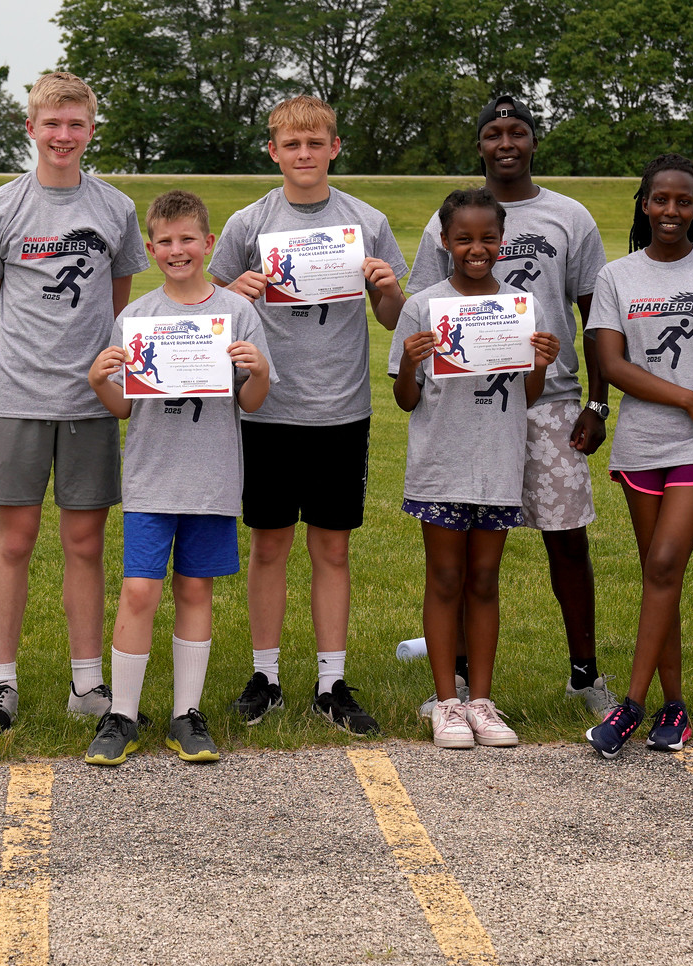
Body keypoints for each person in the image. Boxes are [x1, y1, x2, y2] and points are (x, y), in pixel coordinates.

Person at [408, 95, 612, 715]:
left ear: (532, 141)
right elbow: (423, 306)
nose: (506, 142)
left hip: (549, 400)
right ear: (480, 145)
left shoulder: (568, 216)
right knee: (467, 545)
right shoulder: (447, 221)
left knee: (566, 538)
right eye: (493, 132)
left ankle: (584, 674)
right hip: (466, 408)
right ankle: (461, 680)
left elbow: (595, 319)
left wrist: (597, 405)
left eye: (517, 132)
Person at [211, 95, 406, 734]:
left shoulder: (367, 221)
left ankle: (331, 681)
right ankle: (264, 675)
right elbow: (206, 309)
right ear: (273, 151)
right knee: (268, 545)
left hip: (339, 409)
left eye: (314, 143)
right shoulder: (248, 223)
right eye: (290, 145)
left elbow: (393, 319)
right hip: (266, 410)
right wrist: (231, 293)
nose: (303, 154)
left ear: (334, 147)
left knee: (332, 547)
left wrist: (387, 289)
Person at [0, 73, 149, 730]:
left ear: (91, 131)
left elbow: (120, 300)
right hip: (15, 398)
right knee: (13, 540)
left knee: (84, 541)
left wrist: (94, 373)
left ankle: (86, 683)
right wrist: (13, 369)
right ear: (31, 129)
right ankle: (1, 682)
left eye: (76, 125)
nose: (63, 136)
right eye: (52, 124)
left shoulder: (116, 209)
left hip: (91, 402)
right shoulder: (0, 208)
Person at [582, 156, 693, 757]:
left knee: (664, 567)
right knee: (660, 579)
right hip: (641, 445)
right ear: (643, 203)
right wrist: (688, 397)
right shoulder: (617, 277)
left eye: (683, 201)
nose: (671, 211)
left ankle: (629, 707)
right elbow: (612, 366)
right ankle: (675, 708)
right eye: (660, 199)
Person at [84, 191, 272, 765]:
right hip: (150, 477)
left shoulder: (237, 314)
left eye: (188, 238)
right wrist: (100, 382)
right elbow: (125, 409)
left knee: (195, 589)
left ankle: (186, 713)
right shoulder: (136, 317)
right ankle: (121, 714)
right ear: (149, 248)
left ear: (208, 243)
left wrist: (258, 369)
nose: (177, 249)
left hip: (211, 476)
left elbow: (256, 402)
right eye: (164, 241)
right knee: (139, 590)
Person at [392, 188, 561, 751]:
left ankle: (482, 703)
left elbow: (530, 394)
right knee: (445, 580)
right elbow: (405, 400)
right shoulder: (424, 306)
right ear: (444, 242)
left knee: (485, 581)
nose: (476, 248)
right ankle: (446, 704)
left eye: (487, 238)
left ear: (502, 242)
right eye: (463, 238)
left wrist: (539, 362)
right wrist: (412, 365)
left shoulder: (520, 304)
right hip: (442, 465)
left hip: (498, 462)